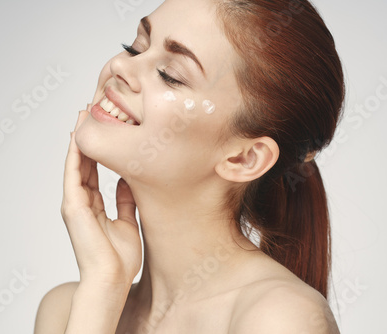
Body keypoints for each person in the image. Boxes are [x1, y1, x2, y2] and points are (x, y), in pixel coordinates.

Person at [34, 0, 344, 332]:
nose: (120, 67)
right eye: (136, 48)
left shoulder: (280, 318)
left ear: (244, 158)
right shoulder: (67, 309)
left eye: (171, 75)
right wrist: (103, 287)